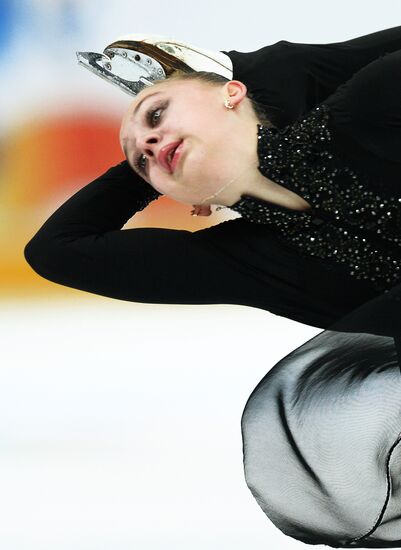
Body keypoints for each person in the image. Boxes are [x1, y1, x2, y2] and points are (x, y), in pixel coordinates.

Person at [24, 26, 401, 548]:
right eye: (139, 160)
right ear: (190, 205)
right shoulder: (252, 260)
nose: (149, 143)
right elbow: (57, 251)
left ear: (232, 92)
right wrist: (173, 159)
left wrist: (247, 70)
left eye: (156, 114)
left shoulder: (369, 107)